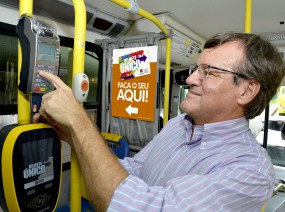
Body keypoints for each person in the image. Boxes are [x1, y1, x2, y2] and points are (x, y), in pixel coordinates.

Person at [34, 32, 285, 211]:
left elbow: (136, 208)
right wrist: (74, 135)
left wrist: (80, 122)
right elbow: (133, 169)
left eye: (208, 72)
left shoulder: (250, 170)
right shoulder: (178, 125)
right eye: (196, 69)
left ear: (246, 91)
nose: (190, 80)